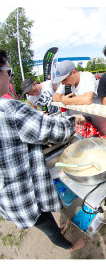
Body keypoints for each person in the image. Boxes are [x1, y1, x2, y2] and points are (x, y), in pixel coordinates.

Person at [0, 50, 87, 252]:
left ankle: (59, 233)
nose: (9, 77)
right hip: (23, 194)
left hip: (6, 195)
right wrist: (73, 121)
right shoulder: (10, 109)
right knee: (46, 225)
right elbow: (52, 131)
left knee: (46, 222)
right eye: (8, 71)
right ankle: (69, 246)